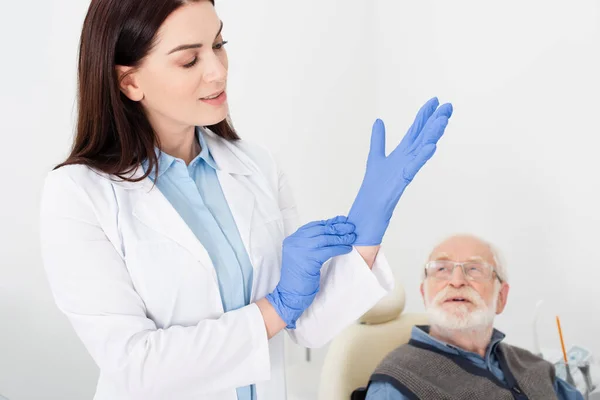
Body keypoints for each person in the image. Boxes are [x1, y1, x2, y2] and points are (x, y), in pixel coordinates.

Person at [38, 1, 453, 399]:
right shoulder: (78, 195)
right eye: (189, 60)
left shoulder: (257, 167)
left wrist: (368, 226)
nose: (217, 72)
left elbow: (307, 327)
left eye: (219, 45)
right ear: (130, 81)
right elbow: (136, 365)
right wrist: (275, 307)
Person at [362, 234, 584, 400]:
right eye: (441, 269)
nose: (457, 280)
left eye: (475, 269)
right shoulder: (395, 386)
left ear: (501, 297)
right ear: (424, 294)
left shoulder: (534, 366)